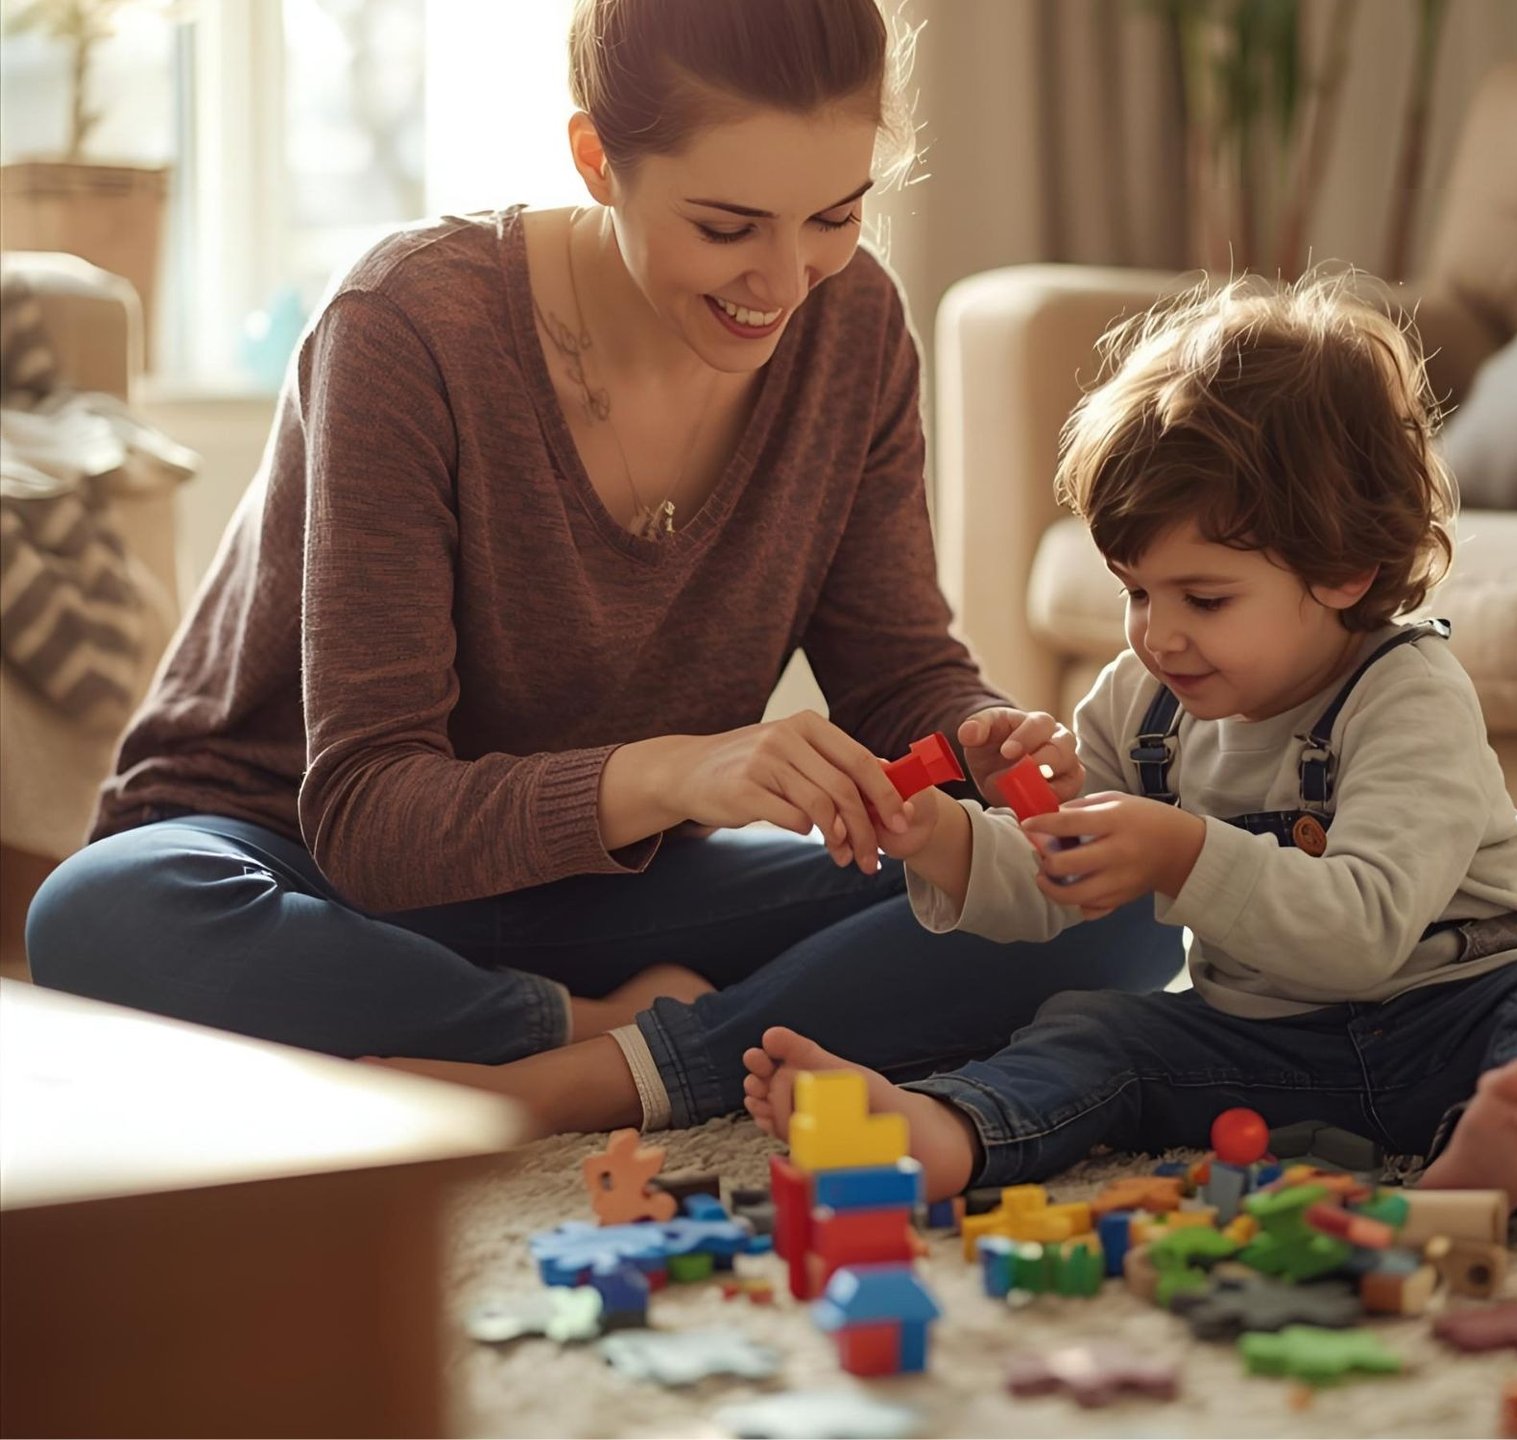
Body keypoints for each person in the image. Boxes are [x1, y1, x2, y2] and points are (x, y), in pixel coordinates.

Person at [24, 0, 1181, 1134]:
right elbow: (370, 813)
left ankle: (611, 1073)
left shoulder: (856, 327)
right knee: (101, 916)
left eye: (835, 216)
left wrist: (978, 735)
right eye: (728, 227)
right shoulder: (410, 327)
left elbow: (894, 671)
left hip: (610, 895)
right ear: (595, 159)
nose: (784, 282)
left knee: (1107, 904)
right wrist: (679, 776)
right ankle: (599, 1034)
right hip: (306, 867)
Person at [742, 276, 1517, 1215]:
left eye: (1203, 600)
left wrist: (1181, 851)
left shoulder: (1409, 699)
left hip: (1456, 1024)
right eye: (1137, 592)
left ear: (1341, 572)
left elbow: (1363, 934)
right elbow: (1050, 884)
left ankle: (1495, 1157)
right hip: (1267, 1049)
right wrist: (938, 833)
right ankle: (951, 1131)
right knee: (1094, 1027)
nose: (1156, 636)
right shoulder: (1144, 701)